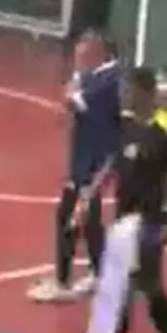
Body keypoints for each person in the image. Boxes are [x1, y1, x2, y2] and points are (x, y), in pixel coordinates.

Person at [69, 66, 167, 333]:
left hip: (152, 221)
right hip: (124, 220)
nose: (123, 95)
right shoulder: (126, 124)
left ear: (144, 91)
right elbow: (113, 162)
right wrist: (89, 194)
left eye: (127, 90)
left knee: (137, 283)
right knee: (134, 284)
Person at [28, 30, 121, 302]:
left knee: (68, 214)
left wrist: (73, 87)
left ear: (98, 53)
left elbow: (69, 102)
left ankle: (62, 281)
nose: (77, 62)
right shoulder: (98, 76)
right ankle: (100, 271)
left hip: (95, 160)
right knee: (88, 219)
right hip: (87, 157)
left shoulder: (105, 81)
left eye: (81, 56)